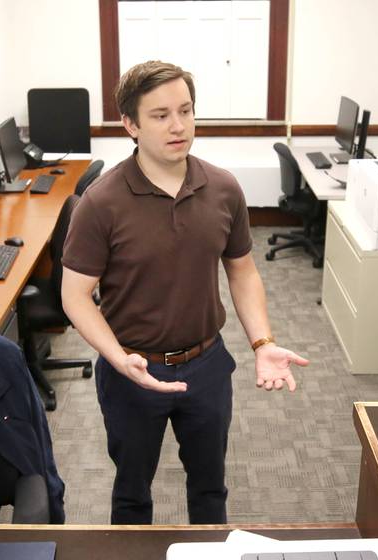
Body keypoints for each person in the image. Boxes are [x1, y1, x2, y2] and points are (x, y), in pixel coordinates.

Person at [61, 60, 308, 525]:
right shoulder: (100, 202)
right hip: (131, 369)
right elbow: (74, 296)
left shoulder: (222, 188)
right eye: (159, 115)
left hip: (207, 365)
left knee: (211, 489)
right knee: (132, 495)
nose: (178, 126)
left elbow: (243, 271)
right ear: (130, 125)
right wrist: (117, 357)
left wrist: (263, 342)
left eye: (186, 111)